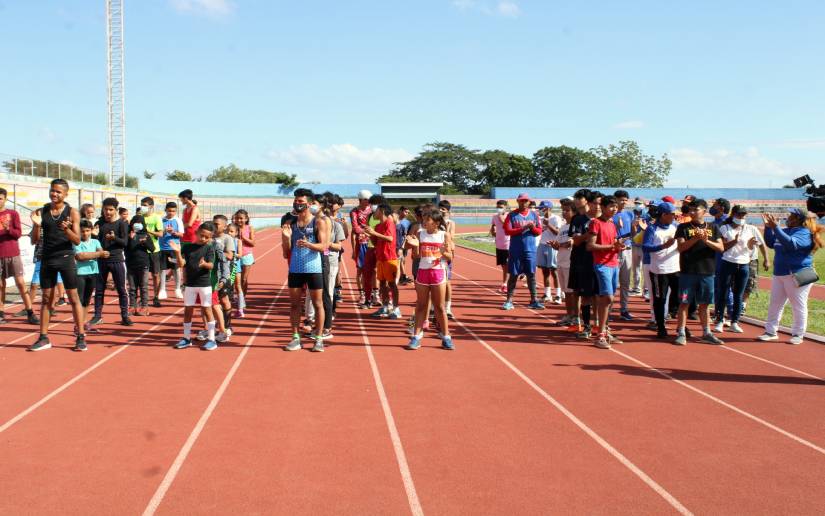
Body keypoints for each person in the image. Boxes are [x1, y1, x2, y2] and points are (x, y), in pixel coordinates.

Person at [28, 179, 87, 352]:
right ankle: (43, 337)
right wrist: (37, 225)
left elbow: (78, 239)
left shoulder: (72, 212)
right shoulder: (42, 211)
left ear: (66, 194)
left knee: (73, 298)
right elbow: (34, 240)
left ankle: (81, 336)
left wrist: (66, 229)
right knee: (46, 299)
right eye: (52, 190)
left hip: (66, 258)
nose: (54, 194)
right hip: (47, 258)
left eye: (58, 192)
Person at [758, 208, 822, 344]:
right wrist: (768, 228)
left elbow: (791, 244)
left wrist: (776, 228)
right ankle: (770, 331)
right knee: (775, 304)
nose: (788, 217)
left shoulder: (804, 233)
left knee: (798, 305)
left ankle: (798, 334)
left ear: (799, 219)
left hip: (797, 274)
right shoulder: (785, 231)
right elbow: (770, 243)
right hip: (779, 273)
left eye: (792, 215)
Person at [282, 188, 329, 352]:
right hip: (295, 268)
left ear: (309, 204)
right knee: (294, 305)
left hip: (313, 269)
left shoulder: (318, 222)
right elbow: (285, 253)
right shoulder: (291, 223)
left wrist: (309, 244)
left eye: (301, 201)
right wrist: (286, 238)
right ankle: (295, 338)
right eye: (295, 201)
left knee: (318, 304)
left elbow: (324, 246)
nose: (297, 203)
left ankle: (318, 338)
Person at [673, 199, 725, 346]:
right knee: (684, 303)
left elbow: (721, 248)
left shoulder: (713, 228)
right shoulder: (683, 227)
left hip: (707, 272)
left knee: (705, 304)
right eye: (691, 210)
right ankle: (681, 332)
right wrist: (695, 238)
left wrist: (706, 240)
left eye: (696, 210)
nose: (692, 212)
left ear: (704, 211)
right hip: (687, 272)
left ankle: (706, 332)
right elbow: (681, 248)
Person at [405, 209, 454, 350]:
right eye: (424, 219)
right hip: (423, 273)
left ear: (437, 223)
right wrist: (412, 245)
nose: (424, 222)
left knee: (439, 307)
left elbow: (450, 257)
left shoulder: (444, 235)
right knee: (421, 306)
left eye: (428, 220)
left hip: (438, 273)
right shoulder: (420, 234)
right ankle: (416, 337)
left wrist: (443, 252)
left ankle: (446, 337)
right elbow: (414, 254)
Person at [714, 205, 761, 334]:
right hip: (728, 263)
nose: (742, 217)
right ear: (733, 215)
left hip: (744, 264)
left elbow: (751, 249)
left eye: (744, 215)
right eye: (739, 215)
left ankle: (734, 321)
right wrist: (733, 242)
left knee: (738, 295)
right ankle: (719, 321)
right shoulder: (725, 228)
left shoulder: (749, 229)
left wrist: (751, 245)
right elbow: (722, 247)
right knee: (723, 293)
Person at [171, 223, 218, 351]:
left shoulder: (209, 248)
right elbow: (182, 264)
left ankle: (212, 339)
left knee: (207, 310)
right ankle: (186, 338)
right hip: (190, 285)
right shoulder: (187, 247)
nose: (203, 239)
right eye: (201, 235)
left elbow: (211, 265)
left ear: (210, 238)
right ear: (196, 233)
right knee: (188, 310)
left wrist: (204, 264)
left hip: (204, 284)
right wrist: (177, 252)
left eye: (206, 237)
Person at [587, 195, 625, 349]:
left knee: (609, 300)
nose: (614, 209)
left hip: (614, 263)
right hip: (602, 265)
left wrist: (618, 245)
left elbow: (613, 243)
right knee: (607, 297)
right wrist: (611, 247)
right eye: (611, 206)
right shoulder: (595, 223)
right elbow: (590, 246)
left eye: (615, 207)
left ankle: (604, 330)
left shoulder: (612, 224)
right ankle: (600, 334)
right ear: (602, 207)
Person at [91, 197, 132, 327]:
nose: (107, 212)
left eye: (110, 210)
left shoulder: (122, 224)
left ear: (116, 210)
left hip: (117, 260)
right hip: (101, 260)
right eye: (105, 210)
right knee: (99, 290)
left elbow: (125, 243)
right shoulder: (100, 223)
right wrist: (94, 235)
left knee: (121, 290)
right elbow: (95, 242)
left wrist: (114, 238)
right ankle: (97, 316)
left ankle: (125, 316)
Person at [0, 187, 38, 324]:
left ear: (5, 199)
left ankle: (30, 312)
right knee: (0, 285)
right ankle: (1, 312)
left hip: (12, 253)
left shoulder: (13, 214)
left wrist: (7, 228)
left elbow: (17, 234)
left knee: (21, 283)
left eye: (0, 198)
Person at [643, 202, 680, 339]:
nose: (674, 217)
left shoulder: (675, 227)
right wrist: (663, 246)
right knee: (660, 299)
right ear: (664, 215)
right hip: (659, 270)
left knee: (680, 297)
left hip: (675, 268)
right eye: (672, 214)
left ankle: (680, 324)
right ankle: (661, 326)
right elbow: (645, 247)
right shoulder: (652, 229)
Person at [568, 190, 601, 338]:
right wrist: (591, 233)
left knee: (601, 296)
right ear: (589, 203)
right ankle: (586, 326)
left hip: (602, 263)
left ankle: (599, 326)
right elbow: (576, 240)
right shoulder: (578, 220)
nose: (598, 206)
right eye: (595, 203)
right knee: (586, 295)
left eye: (601, 204)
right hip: (583, 262)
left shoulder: (607, 220)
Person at [501, 193, 543, 310]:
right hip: (516, 250)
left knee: (531, 275)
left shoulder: (534, 215)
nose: (523, 203)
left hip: (530, 250)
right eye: (521, 201)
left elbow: (539, 231)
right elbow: (508, 231)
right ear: (517, 201)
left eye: (525, 201)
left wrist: (532, 228)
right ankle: (509, 300)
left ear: (529, 202)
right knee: (513, 274)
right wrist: (523, 228)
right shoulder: (512, 215)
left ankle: (534, 300)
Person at [365, 204, 401, 319]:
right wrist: (370, 235)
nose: (373, 213)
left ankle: (396, 309)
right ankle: (385, 306)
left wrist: (374, 233)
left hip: (389, 258)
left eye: (375, 211)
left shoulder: (389, 223)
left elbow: (390, 238)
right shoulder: (378, 226)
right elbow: (376, 243)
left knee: (391, 284)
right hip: (380, 257)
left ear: (381, 211)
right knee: (382, 283)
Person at [74, 219, 108, 340]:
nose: (85, 233)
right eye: (82, 231)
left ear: (91, 230)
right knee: (79, 300)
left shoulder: (95, 241)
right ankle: (77, 325)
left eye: (88, 231)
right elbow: (80, 256)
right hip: (80, 273)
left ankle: (83, 322)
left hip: (93, 272)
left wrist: (93, 254)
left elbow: (101, 252)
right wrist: (97, 254)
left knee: (87, 300)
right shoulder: (76, 242)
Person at [550, 198, 575, 326]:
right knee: (566, 292)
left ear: (574, 212)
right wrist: (554, 245)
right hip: (561, 262)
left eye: (567, 210)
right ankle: (568, 315)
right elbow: (558, 244)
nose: (564, 213)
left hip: (571, 264)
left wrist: (561, 244)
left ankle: (574, 317)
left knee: (572, 292)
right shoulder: (563, 227)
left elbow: (572, 243)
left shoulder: (576, 226)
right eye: (563, 210)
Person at [125, 215, 155, 317]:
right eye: (135, 222)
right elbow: (125, 248)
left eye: (140, 222)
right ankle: (132, 306)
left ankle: (144, 306)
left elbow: (152, 249)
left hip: (143, 264)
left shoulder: (146, 235)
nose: (137, 224)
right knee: (132, 288)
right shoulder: (128, 235)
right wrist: (130, 239)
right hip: (130, 264)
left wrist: (145, 242)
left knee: (144, 287)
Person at [612, 190, 635, 320]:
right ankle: (608, 309)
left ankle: (624, 309)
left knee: (625, 282)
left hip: (627, 250)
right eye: (621, 199)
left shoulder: (629, 214)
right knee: (613, 283)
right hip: (614, 251)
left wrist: (636, 229)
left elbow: (632, 233)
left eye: (626, 200)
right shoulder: (611, 216)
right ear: (615, 200)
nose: (624, 202)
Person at [139, 197, 165, 308]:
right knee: (141, 275)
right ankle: (143, 298)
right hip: (141, 250)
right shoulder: (139, 217)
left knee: (155, 275)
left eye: (145, 205)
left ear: (151, 206)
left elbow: (160, 234)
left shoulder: (156, 218)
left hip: (154, 250)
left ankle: (156, 297)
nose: (143, 207)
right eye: (142, 205)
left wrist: (147, 230)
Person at [350, 190, 373, 308]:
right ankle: (362, 294)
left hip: (372, 243)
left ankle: (375, 292)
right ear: (361, 200)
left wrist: (371, 233)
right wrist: (367, 232)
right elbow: (355, 228)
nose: (369, 202)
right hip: (361, 244)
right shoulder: (354, 211)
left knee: (373, 271)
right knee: (360, 271)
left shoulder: (372, 210)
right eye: (366, 200)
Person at [536, 200, 562, 304]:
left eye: (543, 208)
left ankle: (558, 295)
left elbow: (558, 233)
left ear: (548, 208)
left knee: (554, 271)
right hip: (542, 245)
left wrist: (548, 225)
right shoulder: (540, 219)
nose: (541, 210)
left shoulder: (556, 218)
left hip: (552, 246)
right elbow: (538, 231)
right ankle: (547, 294)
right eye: (540, 208)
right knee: (545, 271)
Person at [158, 202, 183, 301]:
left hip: (174, 249)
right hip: (162, 248)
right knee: (162, 270)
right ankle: (162, 290)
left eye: (173, 211)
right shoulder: (161, 220)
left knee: (176, 269)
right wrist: (165, 231)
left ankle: (177, 289)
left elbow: (181, 234)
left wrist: (173, 232)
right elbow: (158, 233)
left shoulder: (178, 220)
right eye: (169, 211)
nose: (171, 213)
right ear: (166, 210)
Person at [233, 209, 255, 316]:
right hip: (235, 257)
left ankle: (242, 299)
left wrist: (243, 237)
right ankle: (238, 296)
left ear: (246, 219)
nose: (239, 220)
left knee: (244, 279)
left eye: (241, 218)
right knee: (234, 279)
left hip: (246, 256)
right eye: (237, 218)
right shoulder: (232, 228)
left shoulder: (250, 228)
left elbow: (253, 243)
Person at [438, 199, 456, 318]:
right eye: (440, 208)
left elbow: (451, 237)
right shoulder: (435, 221)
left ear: (448, 211)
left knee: (447, 282)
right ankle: (435, 306)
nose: (441, 210)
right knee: (436, 282)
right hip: (435, 253)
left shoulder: (451, 223)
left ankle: (448, 307)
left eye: (443, 209)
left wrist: (445, 226)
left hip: (447, 253)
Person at [489, 199, 511, 293]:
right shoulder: (494, 216)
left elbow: (508, 227)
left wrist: (502, 218)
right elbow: (493, 228)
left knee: (507, 265)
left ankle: (505, 284)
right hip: (499, 244)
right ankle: (505, 283)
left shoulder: (510, 216)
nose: (499, 209)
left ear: (505, 207)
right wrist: (493, 231)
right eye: (497, 207)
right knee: (503, 266)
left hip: (508, 244)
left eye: (501, 207)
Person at [629, 198, 648, 296]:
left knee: (645, 268)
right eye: (636, 203)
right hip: (634, 245)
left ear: (644, 204)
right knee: (635, 267)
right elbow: (632, 233)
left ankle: (646, 289)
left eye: (639, 203)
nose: (637, 205)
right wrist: (633, 226)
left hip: (644, 246)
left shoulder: (647, 215)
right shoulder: (632, 214)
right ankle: (636, 288)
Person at [396, 206, 412, 285]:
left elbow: (408, 233)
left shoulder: (408, 222)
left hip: (404, 243)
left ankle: (402, 276)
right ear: (401, 211)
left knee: (403, 260)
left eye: (408, 212)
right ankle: (402, 276)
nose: (407, 214)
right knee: (399, 260)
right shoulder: (396, 220)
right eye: (406, 212)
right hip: (396, 244)